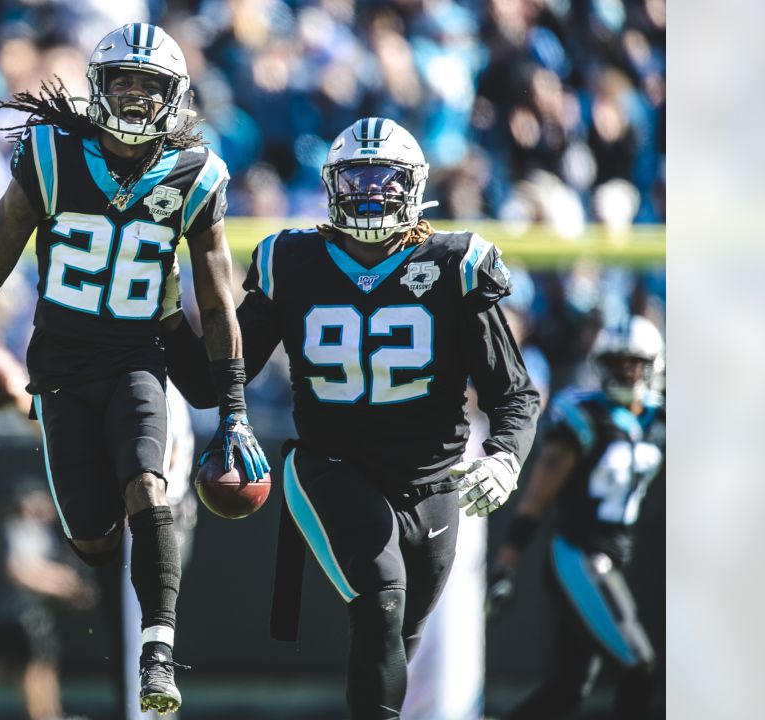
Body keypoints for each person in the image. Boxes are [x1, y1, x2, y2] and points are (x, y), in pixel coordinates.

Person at [0, 23, 269, 715]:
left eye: (149, 85)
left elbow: (220, 309)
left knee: (147, 486)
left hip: (140, 356)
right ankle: (51, 432)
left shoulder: (197, 174)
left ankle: (158, 655)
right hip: (63, 364)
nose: (135, 98)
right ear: (98, 89)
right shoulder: (49, 154)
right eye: (123, 82)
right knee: (94, 541)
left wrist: (235, 413)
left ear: (175, 97)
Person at [163, 117, 541, 719]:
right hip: (331, 466)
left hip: (433, 480)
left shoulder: (454, 264)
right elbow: (214, 383)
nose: (370, 192)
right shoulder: (292, 260)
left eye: (384, 179)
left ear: (413, 186)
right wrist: (159, 313)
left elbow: (516, 393)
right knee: (380, 603)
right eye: (357, 178)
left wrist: (505, 455)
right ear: (332, 185)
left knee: (395, 638)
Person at [487, 316, 665, 719]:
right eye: (617, 363)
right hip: (577, 557)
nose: (626, 371)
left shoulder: (660, 421)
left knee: (568, 689)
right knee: (639, 666)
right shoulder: (584, 416)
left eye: (634, 363)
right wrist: (507, 563)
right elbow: (536, 498)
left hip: (612, 556)